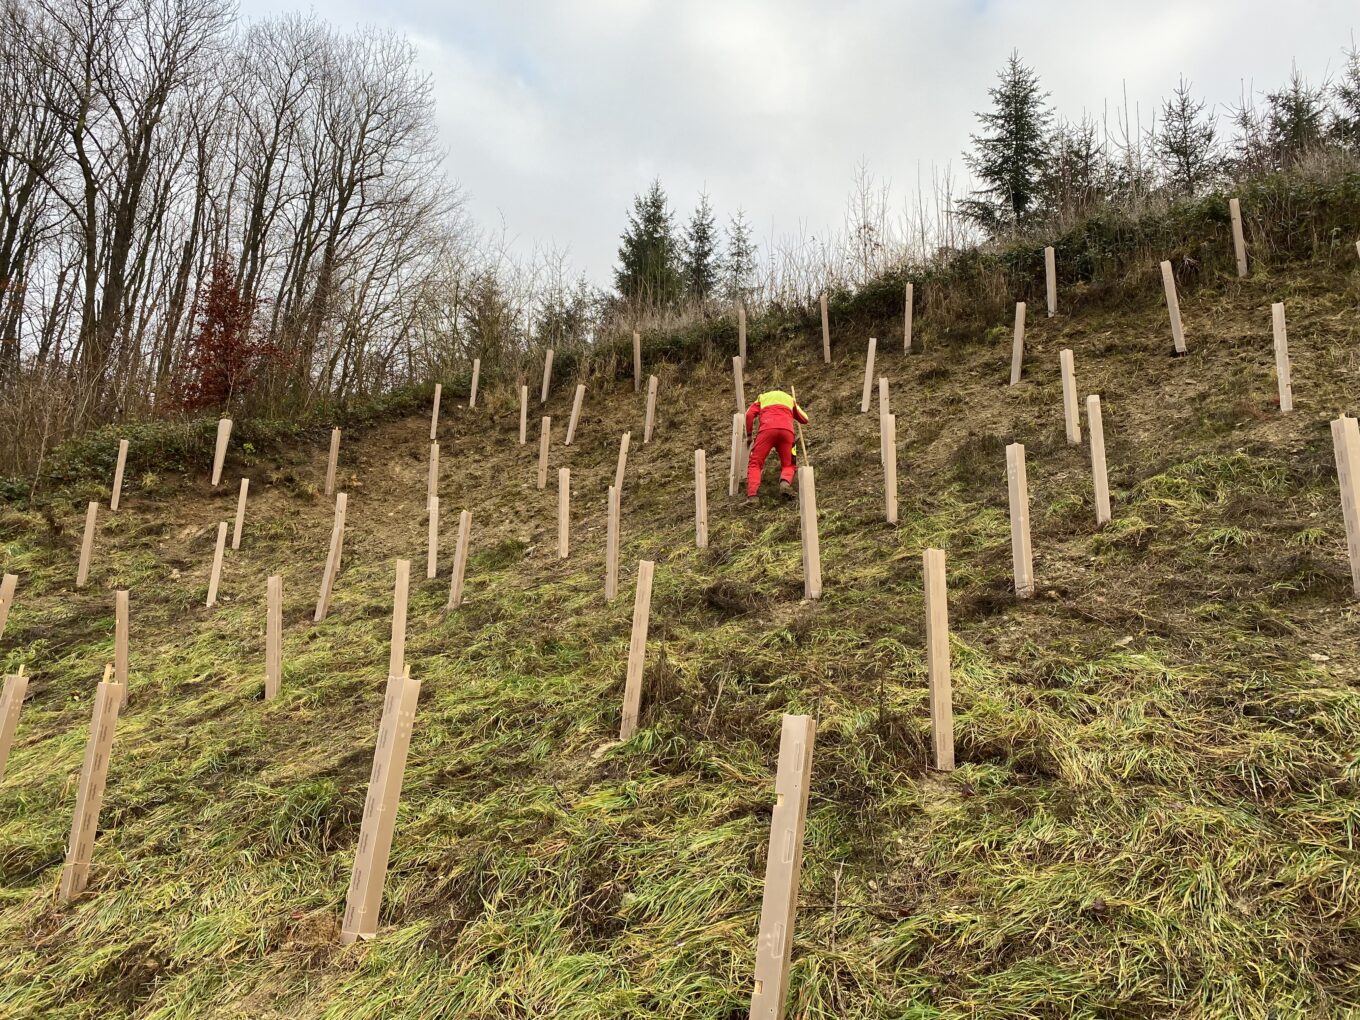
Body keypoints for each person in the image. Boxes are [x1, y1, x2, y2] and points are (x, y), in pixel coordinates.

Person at [744, 386, 808, 503]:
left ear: (771, 390)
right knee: (789, 465)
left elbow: (749, 414)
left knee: (755, 463)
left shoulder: (762, 397)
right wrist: (792, 411)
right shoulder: (789, 399)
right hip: (787, 433)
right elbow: (805, 419)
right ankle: (784, 483)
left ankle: (752, 496)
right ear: (781, 391)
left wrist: (749, 435)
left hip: (766, 431)